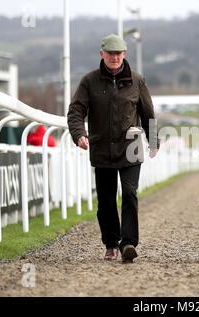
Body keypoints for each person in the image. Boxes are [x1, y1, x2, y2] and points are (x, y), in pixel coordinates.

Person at [67, 34, 159, 263]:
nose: (115, 58)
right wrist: (79, 134)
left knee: (129, 193)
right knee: (106, 200)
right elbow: (76, 111)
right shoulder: (89, 81)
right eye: (110, 54)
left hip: (131, 148)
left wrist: (154, 141)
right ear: (102, 54)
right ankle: (111, 243)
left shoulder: (137, 81)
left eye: (118, 54)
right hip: (102, 150)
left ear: (124, 55)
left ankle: (128, 243)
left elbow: (148, 114)